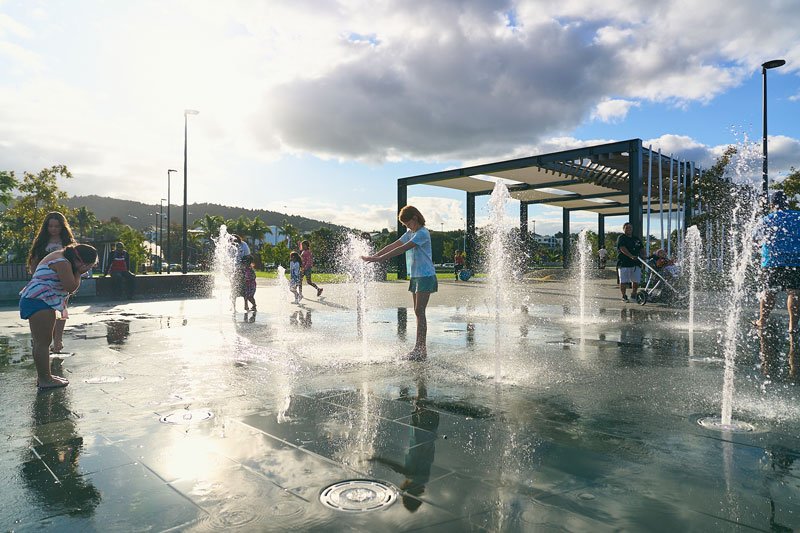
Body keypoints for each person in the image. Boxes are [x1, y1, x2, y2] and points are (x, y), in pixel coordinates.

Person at [362, 205, 436, 360]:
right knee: (417, 311)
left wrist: (380, 259)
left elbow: (403, 248)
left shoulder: (422, 233)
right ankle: (419, 348)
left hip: (425, 275)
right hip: (416, 276)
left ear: (415, 218)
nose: (407, 226)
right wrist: (375, 256)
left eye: (407, 223)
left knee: (420, 311)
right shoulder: (411, 232)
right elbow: (394, 245)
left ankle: (420, 349)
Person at [19, 243, 97, 389]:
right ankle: (44, 379)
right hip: (39, 300)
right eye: (89, 266)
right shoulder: (63, 262)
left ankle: (44, 376)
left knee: (40, 342)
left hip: (36, 298)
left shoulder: (61, 256)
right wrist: (79, 273)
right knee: (43, 342)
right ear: (80, 261)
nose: (88, 270)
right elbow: (71, 287)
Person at [26, 212, 77, 353]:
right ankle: (43, 338)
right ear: (46, 227)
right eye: (50, 226)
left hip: (63, 279)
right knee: (46, 310)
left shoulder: (68, 244)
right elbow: (35, 261)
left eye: (57, 226)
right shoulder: (41, 242)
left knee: (61, 308)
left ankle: (58, 339)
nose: (53, 229)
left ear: (63, 227)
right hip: (45, 281)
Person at [755, 191, 800, 333]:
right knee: (794, 292)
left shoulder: (767, 219)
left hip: (772, 261)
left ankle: (762, 321)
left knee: (769, 292)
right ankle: (793, 326)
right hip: (795, 260)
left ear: (772, 204)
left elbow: (755, 238)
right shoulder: (798, 216)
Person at [616, 222, 644, 302]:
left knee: (636, 281)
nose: (629, 229)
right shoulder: (621, 238)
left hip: (635, 264)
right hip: (624, 263)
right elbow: (622, 248)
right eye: (627, 228)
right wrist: (631, 256)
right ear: (624, 229)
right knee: (623, 281)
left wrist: (644, 256)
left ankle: (634, 294)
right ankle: (624, 295)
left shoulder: (636, 239)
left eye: (630, 228)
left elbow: (641, 248)